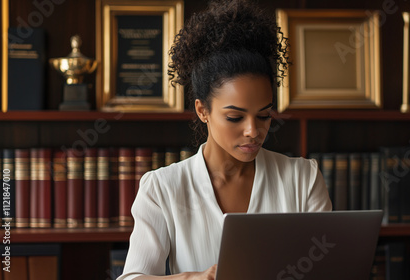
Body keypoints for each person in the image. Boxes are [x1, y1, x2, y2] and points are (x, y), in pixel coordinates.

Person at [118, 0, 332, 279]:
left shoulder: (303, 179)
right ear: (202, 110)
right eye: (235, 117)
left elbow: (329, 267)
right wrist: (194, 278)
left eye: (264, 115)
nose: (253, 131)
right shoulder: (162, 189)